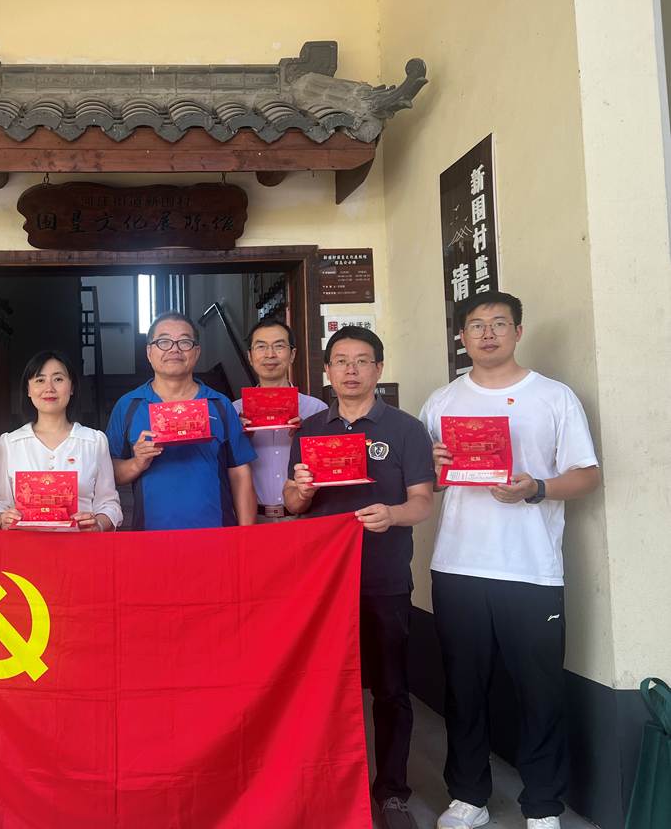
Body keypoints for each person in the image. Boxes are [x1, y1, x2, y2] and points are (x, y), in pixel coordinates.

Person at [423, 292, 600, 829]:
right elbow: (425, 484)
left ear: (518, 331)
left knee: (540, 692)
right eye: (476, 326)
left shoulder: (553, 396)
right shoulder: (442, 402)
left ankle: (543, 805)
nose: (488, 334)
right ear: (462, 337)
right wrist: (433, 467)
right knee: (463, 688)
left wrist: (536, 488)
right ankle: (469, 797)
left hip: (531, 568)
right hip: (458, 565)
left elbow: (587, 475)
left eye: (499, 323)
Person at [283, 325, 434, 829]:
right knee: (323, 689)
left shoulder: (406, 429)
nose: (351, 370)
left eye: (362, 360)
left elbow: (422, 502)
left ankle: (391, 791)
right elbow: (292, 503)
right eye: (341, 361)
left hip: (384, 578)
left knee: (390, 689)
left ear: (378, 369)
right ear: (327, 371)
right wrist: (301, 490)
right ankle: (327, 788)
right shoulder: (310, 431)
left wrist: (392, 515)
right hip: (323, 585)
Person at [106, 311, 257, 530]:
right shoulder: (128, 406)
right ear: (149, 352)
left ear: (197, 352)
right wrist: (137, 463)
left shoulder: (219, 404)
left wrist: (245, 537)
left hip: (217, 536)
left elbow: (240, 474)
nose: (174, 349)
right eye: (163, 342)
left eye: (184, 342)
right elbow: (110, 473)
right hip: (151, 538)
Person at [0, 350, 122, 531]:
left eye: (58, 379)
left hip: (80, 544)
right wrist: (2, 520)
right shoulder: (10, 443)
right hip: (24, 545)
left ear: (72, 387)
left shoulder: (94, 441)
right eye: (40, 380)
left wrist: (98, 524)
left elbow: (109, 503)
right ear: (28, 390)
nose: (49, 388)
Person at [233, 317, 328, 522]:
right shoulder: (233, 412)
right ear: (250, 356)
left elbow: (328, 468)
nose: (270, 354)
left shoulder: (317, 410)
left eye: (279, 346)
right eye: (261, 347)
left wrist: (303, 437)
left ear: (292, 354)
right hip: (252, 520)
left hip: (303, 518)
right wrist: (239, 439)